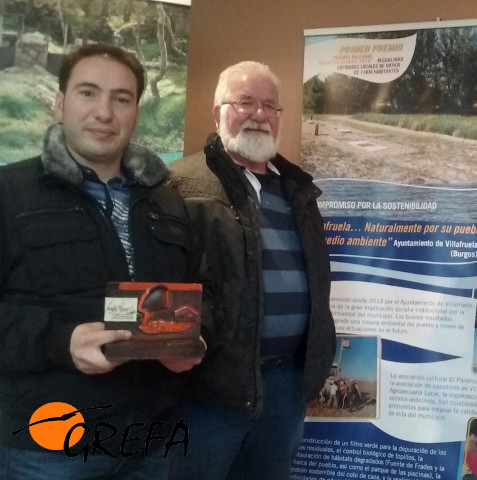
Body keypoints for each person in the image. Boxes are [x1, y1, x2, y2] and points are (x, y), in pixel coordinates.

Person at [0, 43, 199, 479]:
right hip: (48, 447)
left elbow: (202, 292)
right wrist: (60, 341)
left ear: (136, 113)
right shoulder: (9, 192)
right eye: (88, 93)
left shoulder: (167, 201)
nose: (104, 112)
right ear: (60, 102)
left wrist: (194, 340)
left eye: (121, 98)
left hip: (149, 443)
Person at [168, 61, 336, 480]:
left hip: (285, 386)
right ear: (217, 111)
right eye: (244, 102)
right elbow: (165, 281)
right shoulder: (178, 185)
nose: (259, 114)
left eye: (269, 106)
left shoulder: (298, 190)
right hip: (208, 391)